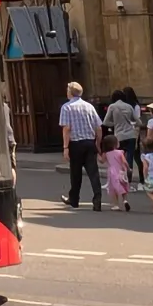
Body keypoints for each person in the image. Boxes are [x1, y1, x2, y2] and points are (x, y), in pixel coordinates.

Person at [58, 82, 103, 210]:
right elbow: (98, 127)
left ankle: (74, 199)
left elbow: (66, 128)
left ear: (70, 92)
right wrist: (98, 144)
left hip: (76, 143)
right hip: (89, 142)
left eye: (67, 90)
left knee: (76, 173)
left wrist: (65, 147)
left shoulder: (66, 107)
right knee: (93, 173)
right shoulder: (89, 106)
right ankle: (97, 198)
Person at [105, 88, 141, 173]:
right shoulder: (129, 106)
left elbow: (106, 122)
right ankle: (128, 180)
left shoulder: (112, 107)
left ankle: (121, 178)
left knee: (119, 158)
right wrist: (130, 124)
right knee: (130, 158)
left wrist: (115, 124)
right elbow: (138, 122)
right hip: (131, 135)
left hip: (119, 136)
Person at [104, 128, 131, 212]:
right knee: (123, 185)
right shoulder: (120, 152)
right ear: (115, 144)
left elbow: (101, 160)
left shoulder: (106, 153)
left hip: (112, 172)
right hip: (121, 171)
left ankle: (116, 205)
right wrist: (128, 168)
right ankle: (125, 200)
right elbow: (124, 161)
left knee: (113, 188)